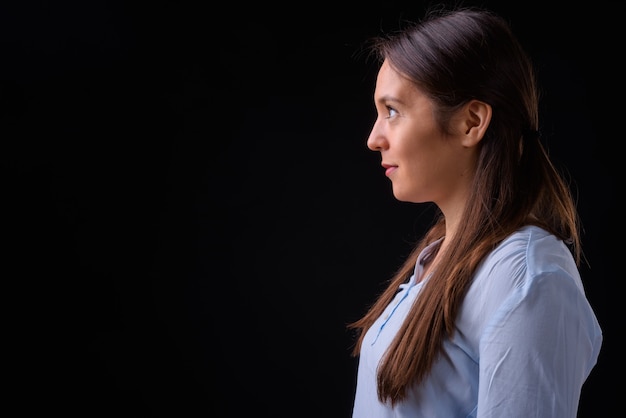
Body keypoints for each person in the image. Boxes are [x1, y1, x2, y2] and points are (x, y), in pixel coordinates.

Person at [348, 5, 603, 418]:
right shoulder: (439, 255)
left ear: (471, 122)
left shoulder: (526, 276)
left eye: (392, 111)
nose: (374, 138)